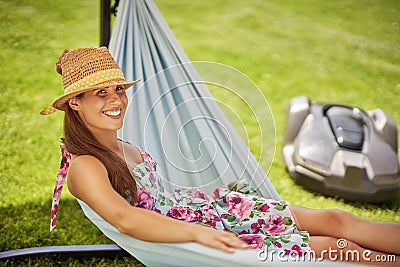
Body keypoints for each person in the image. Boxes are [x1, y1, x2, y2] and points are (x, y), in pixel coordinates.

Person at [41, 47, 400, 265]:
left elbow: (161, 197)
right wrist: (198, 236)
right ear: (75, 102)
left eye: (118, 89)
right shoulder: (86, 165)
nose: (116, 100)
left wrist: (215, 203)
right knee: (335, 246)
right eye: (100, 93)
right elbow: (126, 219)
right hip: (199, 230)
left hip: (216, 212)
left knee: (337, 221)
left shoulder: (118, 146)